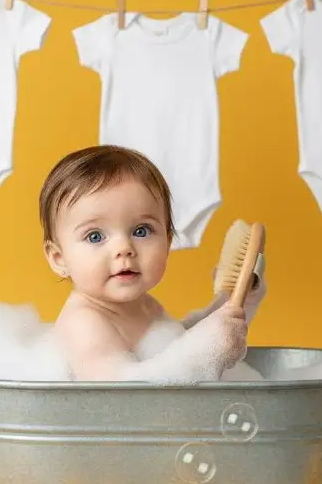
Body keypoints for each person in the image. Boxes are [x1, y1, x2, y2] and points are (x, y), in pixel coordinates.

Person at [39, 145, 264, 383]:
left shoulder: (143, 305)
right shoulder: (84, 323)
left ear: (168, 242)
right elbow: (121, 395)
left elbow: (176, 348)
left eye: (141, 230)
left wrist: (232, 303)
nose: (123, 248)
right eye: (95, 236)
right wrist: (205, 350)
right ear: (59, 259)